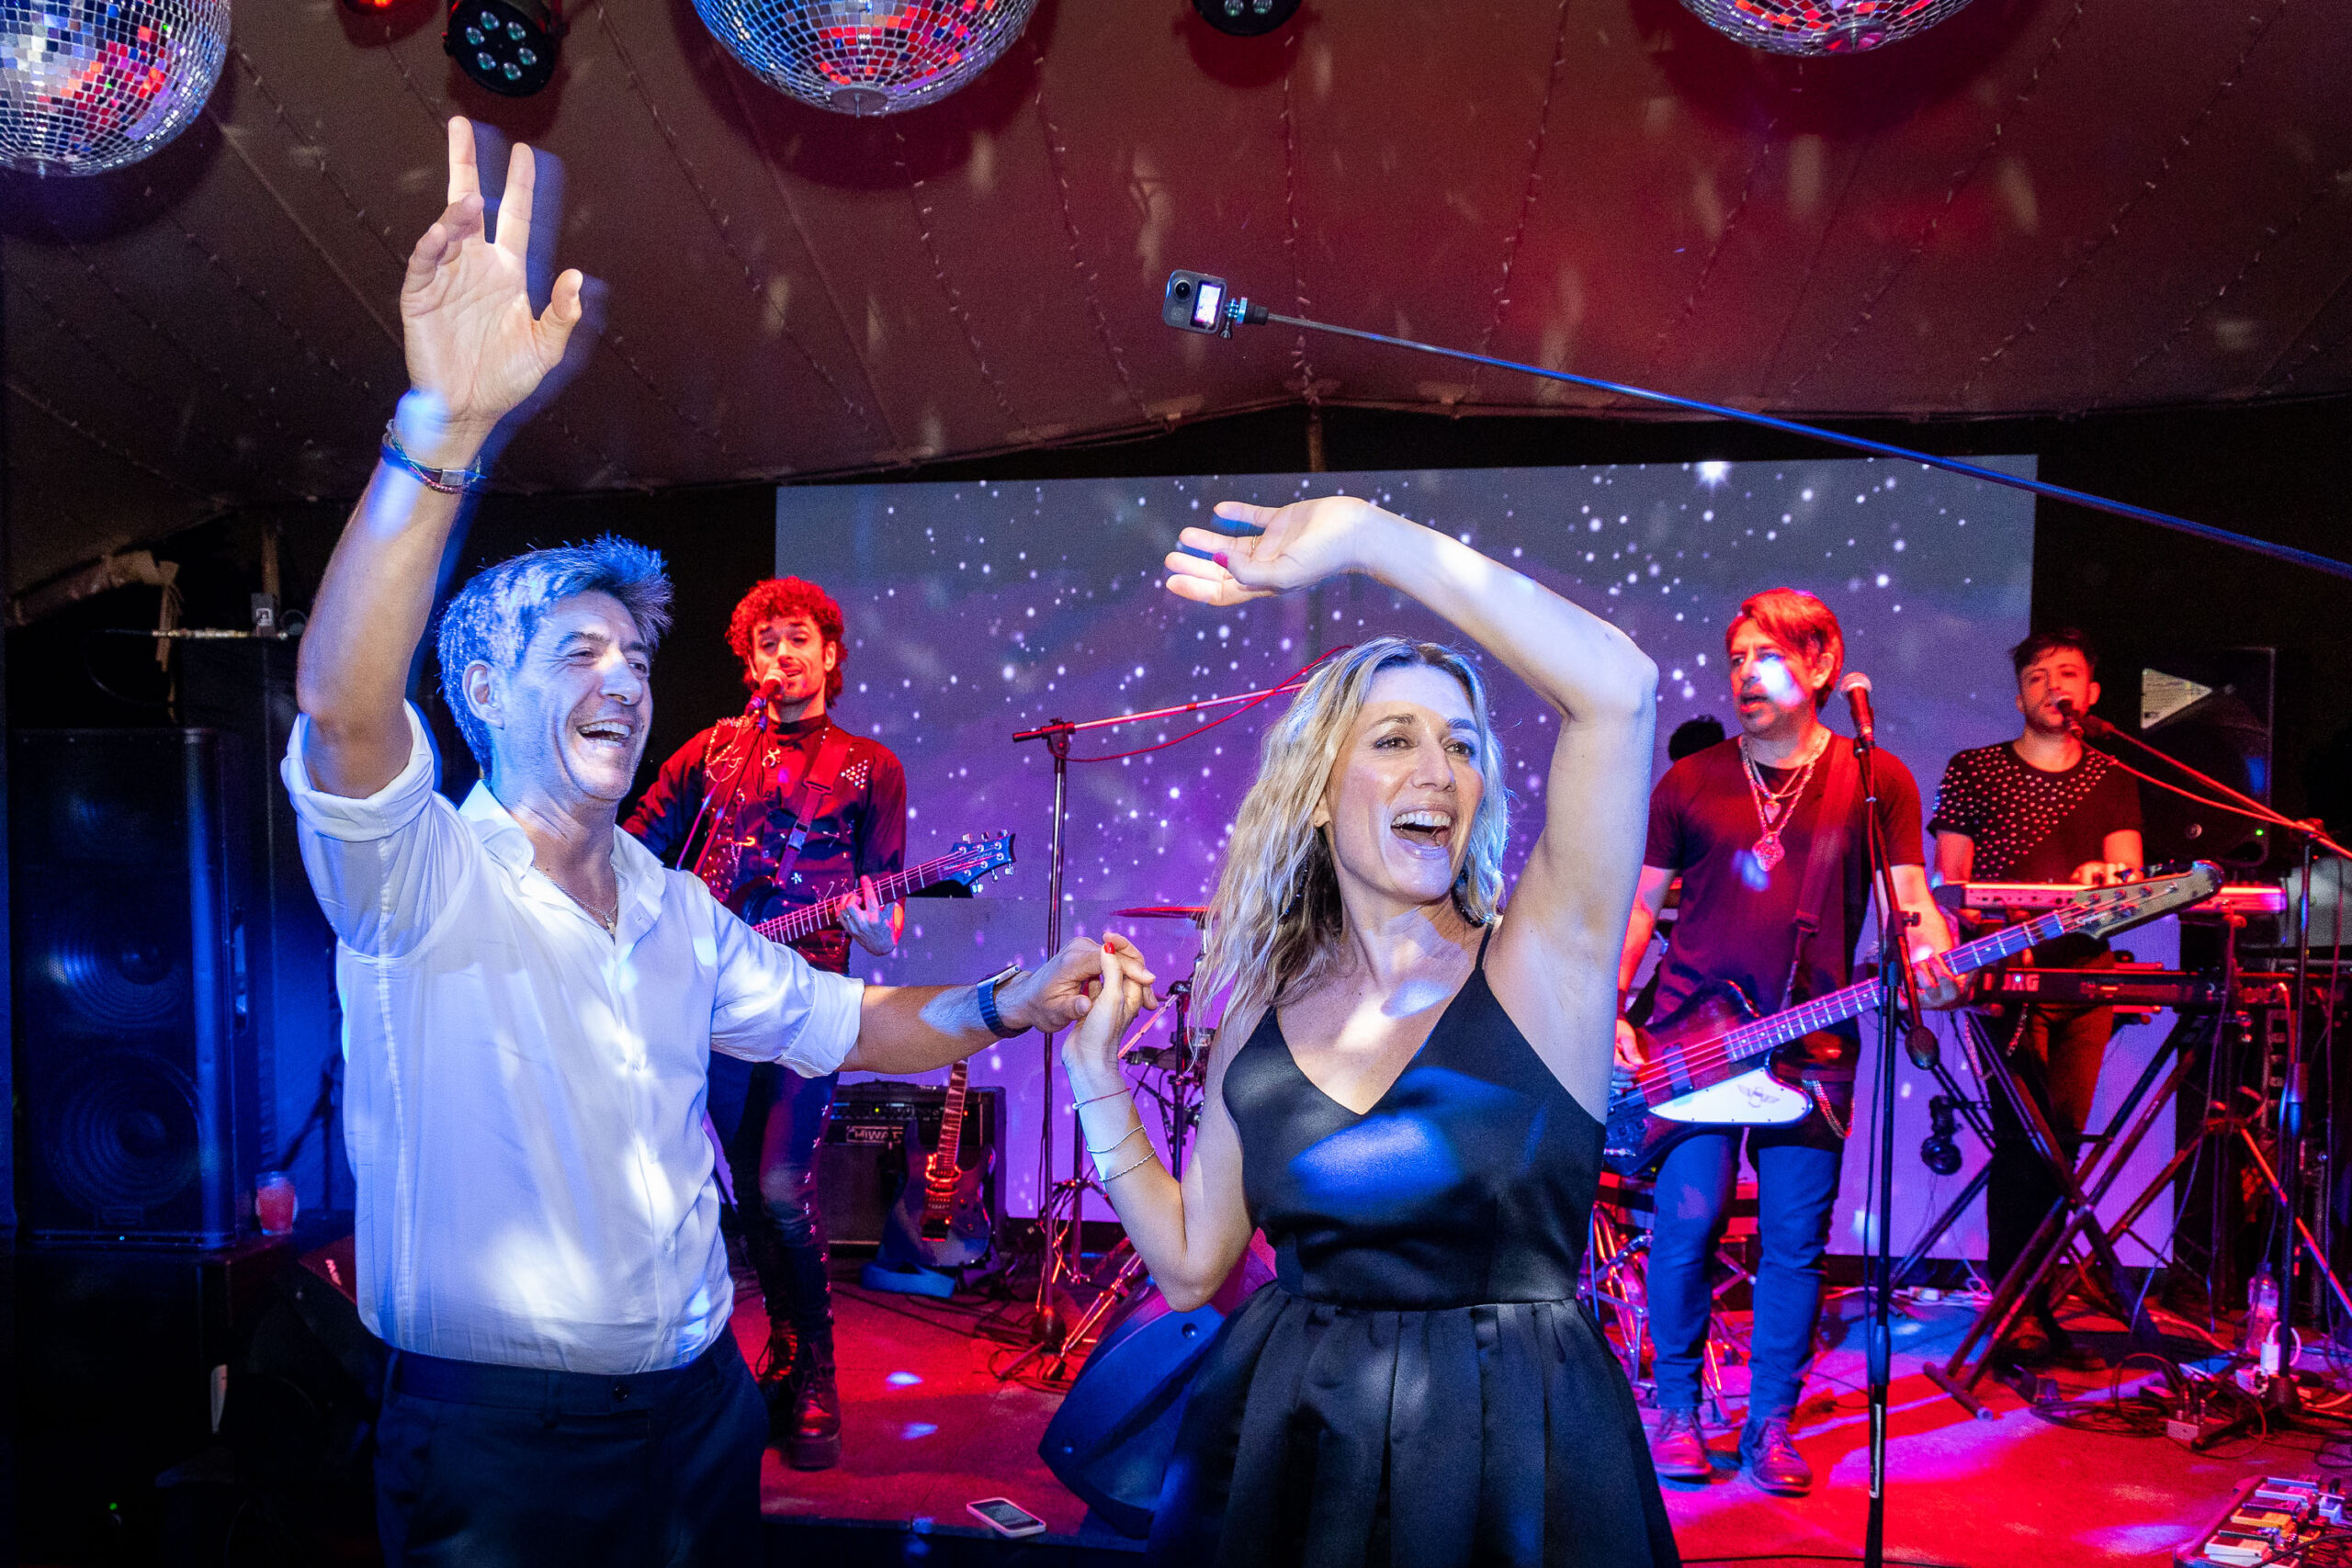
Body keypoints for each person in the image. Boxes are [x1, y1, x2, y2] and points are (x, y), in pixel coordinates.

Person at [288, 118, 1155, 1566]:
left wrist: (1015, 996)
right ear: (482, 685)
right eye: (578, 652)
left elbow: (856, 1020)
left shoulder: (673, 909)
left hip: (696, 1412)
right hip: (501, 1445)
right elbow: (343, 705)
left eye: (635, 656)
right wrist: (440, 430)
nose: (624, 680)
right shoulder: (419, 877)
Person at [1062, 494, 1679, 1565]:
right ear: (1315, 794)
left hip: (1509, 1464)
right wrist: (1091, 1071)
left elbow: (1618, 691)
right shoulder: (1255, 1008)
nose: (1437, 770)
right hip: (1289, 1451)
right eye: (1394, 739)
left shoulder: (1543, 969)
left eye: (1461, 746)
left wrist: (1365, 538)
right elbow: (1189, 1266)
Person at [1613, 589, 1962, 1496]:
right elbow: (1640, 912)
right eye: (1735, 659)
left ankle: (1770, 1421)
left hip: (1813, 1043)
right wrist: (1612, 1007)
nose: (1743, 675)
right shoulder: (1690, 781)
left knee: (1793, 1242)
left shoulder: (1874, 778)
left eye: (1763, 657)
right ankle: (1677, 1411)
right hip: (1691, 1040)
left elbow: (1910, 902)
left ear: (1819, 664)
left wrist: (1933, 949)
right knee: (1687, 1227)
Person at [625, 576, 905, 1469]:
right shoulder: (713, 752)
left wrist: (873, 929)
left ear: (829, 652)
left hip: (802, 1001)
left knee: (782, 1188)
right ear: (749, 662)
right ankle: (755, 1357)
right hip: (706, 1005)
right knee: (727, 1190)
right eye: (766, 644)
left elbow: (888, 914)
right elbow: (636, 844)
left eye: (797, 640)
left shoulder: (868, 767)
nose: (782, 656)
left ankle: (815, 1370)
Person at [1929, 629, 2143, 1369]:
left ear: (2091, 693)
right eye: (2038, 675)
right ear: (2019, 696)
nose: (2055, 686)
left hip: (2084, 977)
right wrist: (1993, 922)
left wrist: (2105, 882)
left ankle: (2036, 1304)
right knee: (2024, 1140)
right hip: (2005, 975)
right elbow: (1950, 882)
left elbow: (2129, 879)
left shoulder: (2112, 774)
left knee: (2064, 1143)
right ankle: (2013, 1311)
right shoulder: (1975, 769)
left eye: (2069, 673)